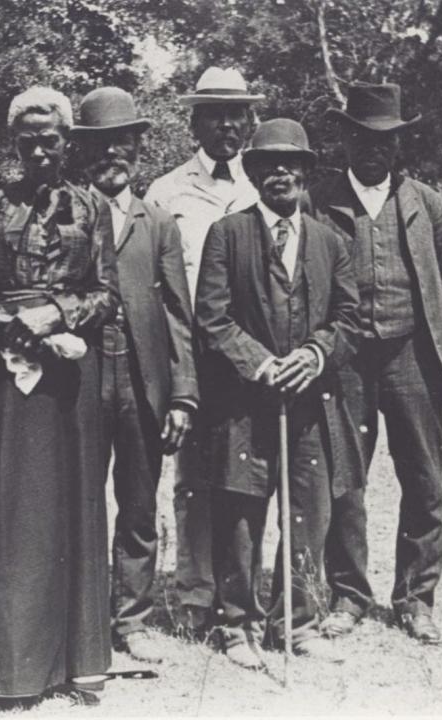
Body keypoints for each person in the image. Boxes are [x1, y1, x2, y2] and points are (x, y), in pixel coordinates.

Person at [0, 86, 120, 705]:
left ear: (67, 143)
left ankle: (66, 664)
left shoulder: (92, 208)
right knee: (1, 510)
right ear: (15, 143)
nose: (39, 149)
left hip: (67, 384)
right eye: (27, 139)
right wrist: (15, 328)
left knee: (63, 509)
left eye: (50, 139)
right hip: (0, 382)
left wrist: (58, 314)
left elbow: (108, 294)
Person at [194, 119, 363, 668]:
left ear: (307, 173)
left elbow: (349, 318)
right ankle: (235, 623)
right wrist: (262, 364)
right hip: (245, 402)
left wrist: (314, 355)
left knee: (307, 512)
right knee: (242, 510)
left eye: (291, 164)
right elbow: (212, 320)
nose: (280, 173)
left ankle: (298, 621)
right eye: (268, 164)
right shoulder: (229, 234)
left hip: (310, 402)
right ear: (254, 173)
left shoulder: (331, 241)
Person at [310, 82, 442, 644]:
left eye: (387, 140)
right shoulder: (318, 199)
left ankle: (416, 599)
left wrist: (422, 336)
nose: (375, 149)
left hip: (411, 357)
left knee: (423, 478)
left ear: (399, 145)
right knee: (344, 481)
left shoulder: (428, 203)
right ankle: (348, 594)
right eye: (363, 137)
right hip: (345, 360)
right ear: (346, 138)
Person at [71, 87, 198, 663]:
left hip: (144, 380)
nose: (112, 156)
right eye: (100, 145)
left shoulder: (160, 222)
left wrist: (183, 396)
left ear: (138, 149)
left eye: (122, 143)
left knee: (139, 505)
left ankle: (133, 617)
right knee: (79, 498)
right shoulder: (66, 212)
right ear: (84, 152)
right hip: (80, 379)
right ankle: (80, 614)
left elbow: (178, 313)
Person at [143, 66, 262, 634]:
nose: (227, 125)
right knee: (191, 478)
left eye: (237, 114)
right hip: (189, 355)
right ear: (194, 120)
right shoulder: (166, 192)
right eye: (215, 113)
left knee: (243, 479)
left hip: (248, 359)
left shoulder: (264, 186)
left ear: (250, 120)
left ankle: (241, 592)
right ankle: (193, 596)